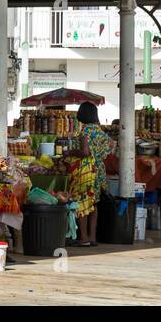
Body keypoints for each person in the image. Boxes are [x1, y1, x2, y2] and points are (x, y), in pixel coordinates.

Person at [68, 102, 114, 247]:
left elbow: (85, 152)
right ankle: (92, 237)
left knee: (82, 203)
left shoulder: (86, 131)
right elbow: (111, 145)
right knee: (94, 204)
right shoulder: (100, 131)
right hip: (99, 170)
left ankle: (84, 237)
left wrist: (69, 152)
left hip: (86, 170)